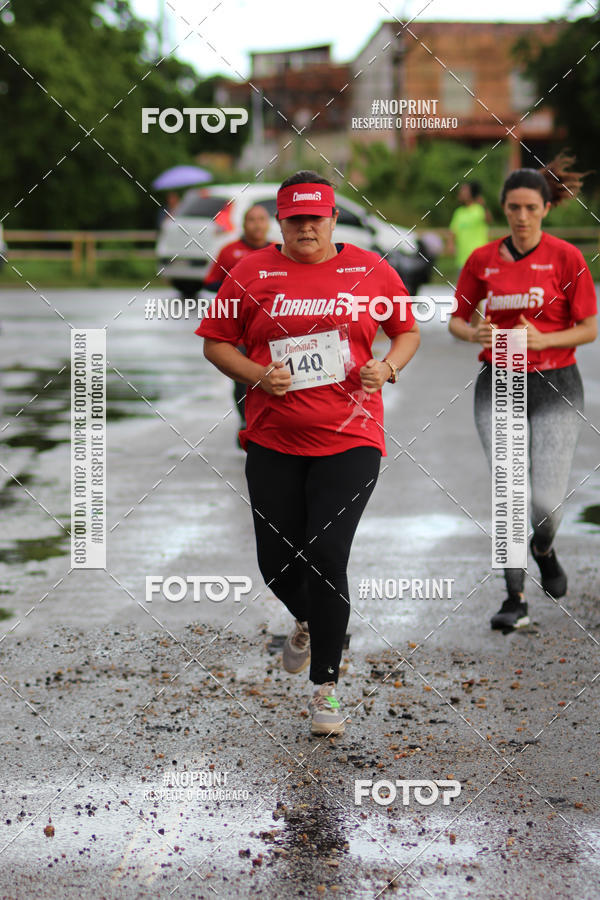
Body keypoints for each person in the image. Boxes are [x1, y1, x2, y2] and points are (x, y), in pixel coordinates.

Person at [197, 170, 420, 735]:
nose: (305, 228)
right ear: (280, 220)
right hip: (273, 436)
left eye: (314, 218)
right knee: (275, 562)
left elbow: (406, 332)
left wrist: (386, 367)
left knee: (326, 553)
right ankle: (307, 616)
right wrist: (256, 375)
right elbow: (216, 343)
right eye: (294, 219)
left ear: (333, 218)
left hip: (351, 437)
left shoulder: (371, 269)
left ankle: (326, 688)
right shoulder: (250, 272)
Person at [448, 153, 597, 631]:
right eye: (513, 207)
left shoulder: (566, 257)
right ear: (503, 209)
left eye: (531, 208)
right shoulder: (482, 260)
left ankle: (544, 548)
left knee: (546, 501)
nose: (522, 216)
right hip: (499, 381)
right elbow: (457, 319)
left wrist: (546, 338)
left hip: (557, 382)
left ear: (546, 209)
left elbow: (590, 327)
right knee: (509, 490)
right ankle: (514, 597)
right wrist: (472, 333)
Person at [203, 204, 273, 428]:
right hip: (242, 330)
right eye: (252, 220)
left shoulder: (278, 252)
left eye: (262, 219)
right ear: (244, 224)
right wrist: (237, 287)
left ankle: (269, 422)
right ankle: (245, 421)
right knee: (243, 380)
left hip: (273, 329)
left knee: (274, 374)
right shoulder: (229, 251)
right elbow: (211, 282)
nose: (257, 224)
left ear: (269, 224)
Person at [448, 180, 490, 269]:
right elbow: (453, 231)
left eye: (464, 190)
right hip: (462, 258)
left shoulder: (479, 209)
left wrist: (484, 205)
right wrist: (451, 244)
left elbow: (488, 220)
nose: (461, 192)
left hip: (479, 257)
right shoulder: (459, 212)